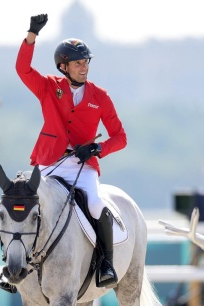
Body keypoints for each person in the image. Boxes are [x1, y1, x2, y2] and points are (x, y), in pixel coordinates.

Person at [15, 14, 127, 287]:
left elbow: (120, 137)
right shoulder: (48, 87)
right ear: (63, 66)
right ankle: (13, 266)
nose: (84, 67)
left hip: (82, 165)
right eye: (78, 63)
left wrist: (98, 148)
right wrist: (32, 35)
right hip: (49, 161)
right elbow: (22, 69)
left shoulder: (100, 96)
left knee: (96, 204)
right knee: (22, 203)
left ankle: (105, 263)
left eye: (86, 62)